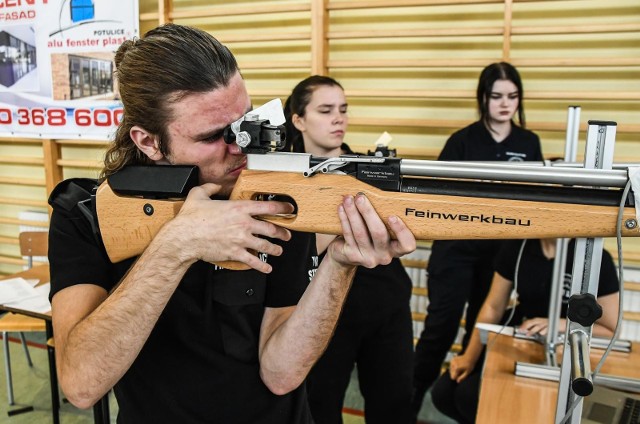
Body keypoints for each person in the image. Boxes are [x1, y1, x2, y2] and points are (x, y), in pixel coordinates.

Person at [47, 24, 416, 424]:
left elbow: (281, 373)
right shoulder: (87, 214)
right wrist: (176, 246)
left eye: (247, 121)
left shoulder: (277, 195)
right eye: (214, 136)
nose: (242, 145)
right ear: (149, 142)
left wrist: (340, 264)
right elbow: (81, 384)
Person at [412, 62, 544, 418]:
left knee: (480, 333)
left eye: (512, 97)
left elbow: (534, 200)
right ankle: (404, 409)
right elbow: (435, 196)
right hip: (455, 251)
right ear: (483, 98)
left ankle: (468, 408)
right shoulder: (462, 140)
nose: (505, 104)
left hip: (500, 256)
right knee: (439, 331)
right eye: (497, 96)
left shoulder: (528, 143)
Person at [284, 75, 415, 424]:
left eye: (342, 109)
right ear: (298, 120)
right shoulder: (283, 179)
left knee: (395, 403)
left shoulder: (372, 170)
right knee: (320, 405)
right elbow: (291, 252)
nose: (338, 118)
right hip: (326, 313)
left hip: (386, 307)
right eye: (325, 110)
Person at [430, 238, 620, 423]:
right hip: (522, 335)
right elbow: (493, 307)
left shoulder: (595, 258)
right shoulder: (517, 247)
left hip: (564, 349)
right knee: (445, 392)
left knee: (470, 396)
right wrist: (468, 357)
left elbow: (610, 329)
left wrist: (559, 324)